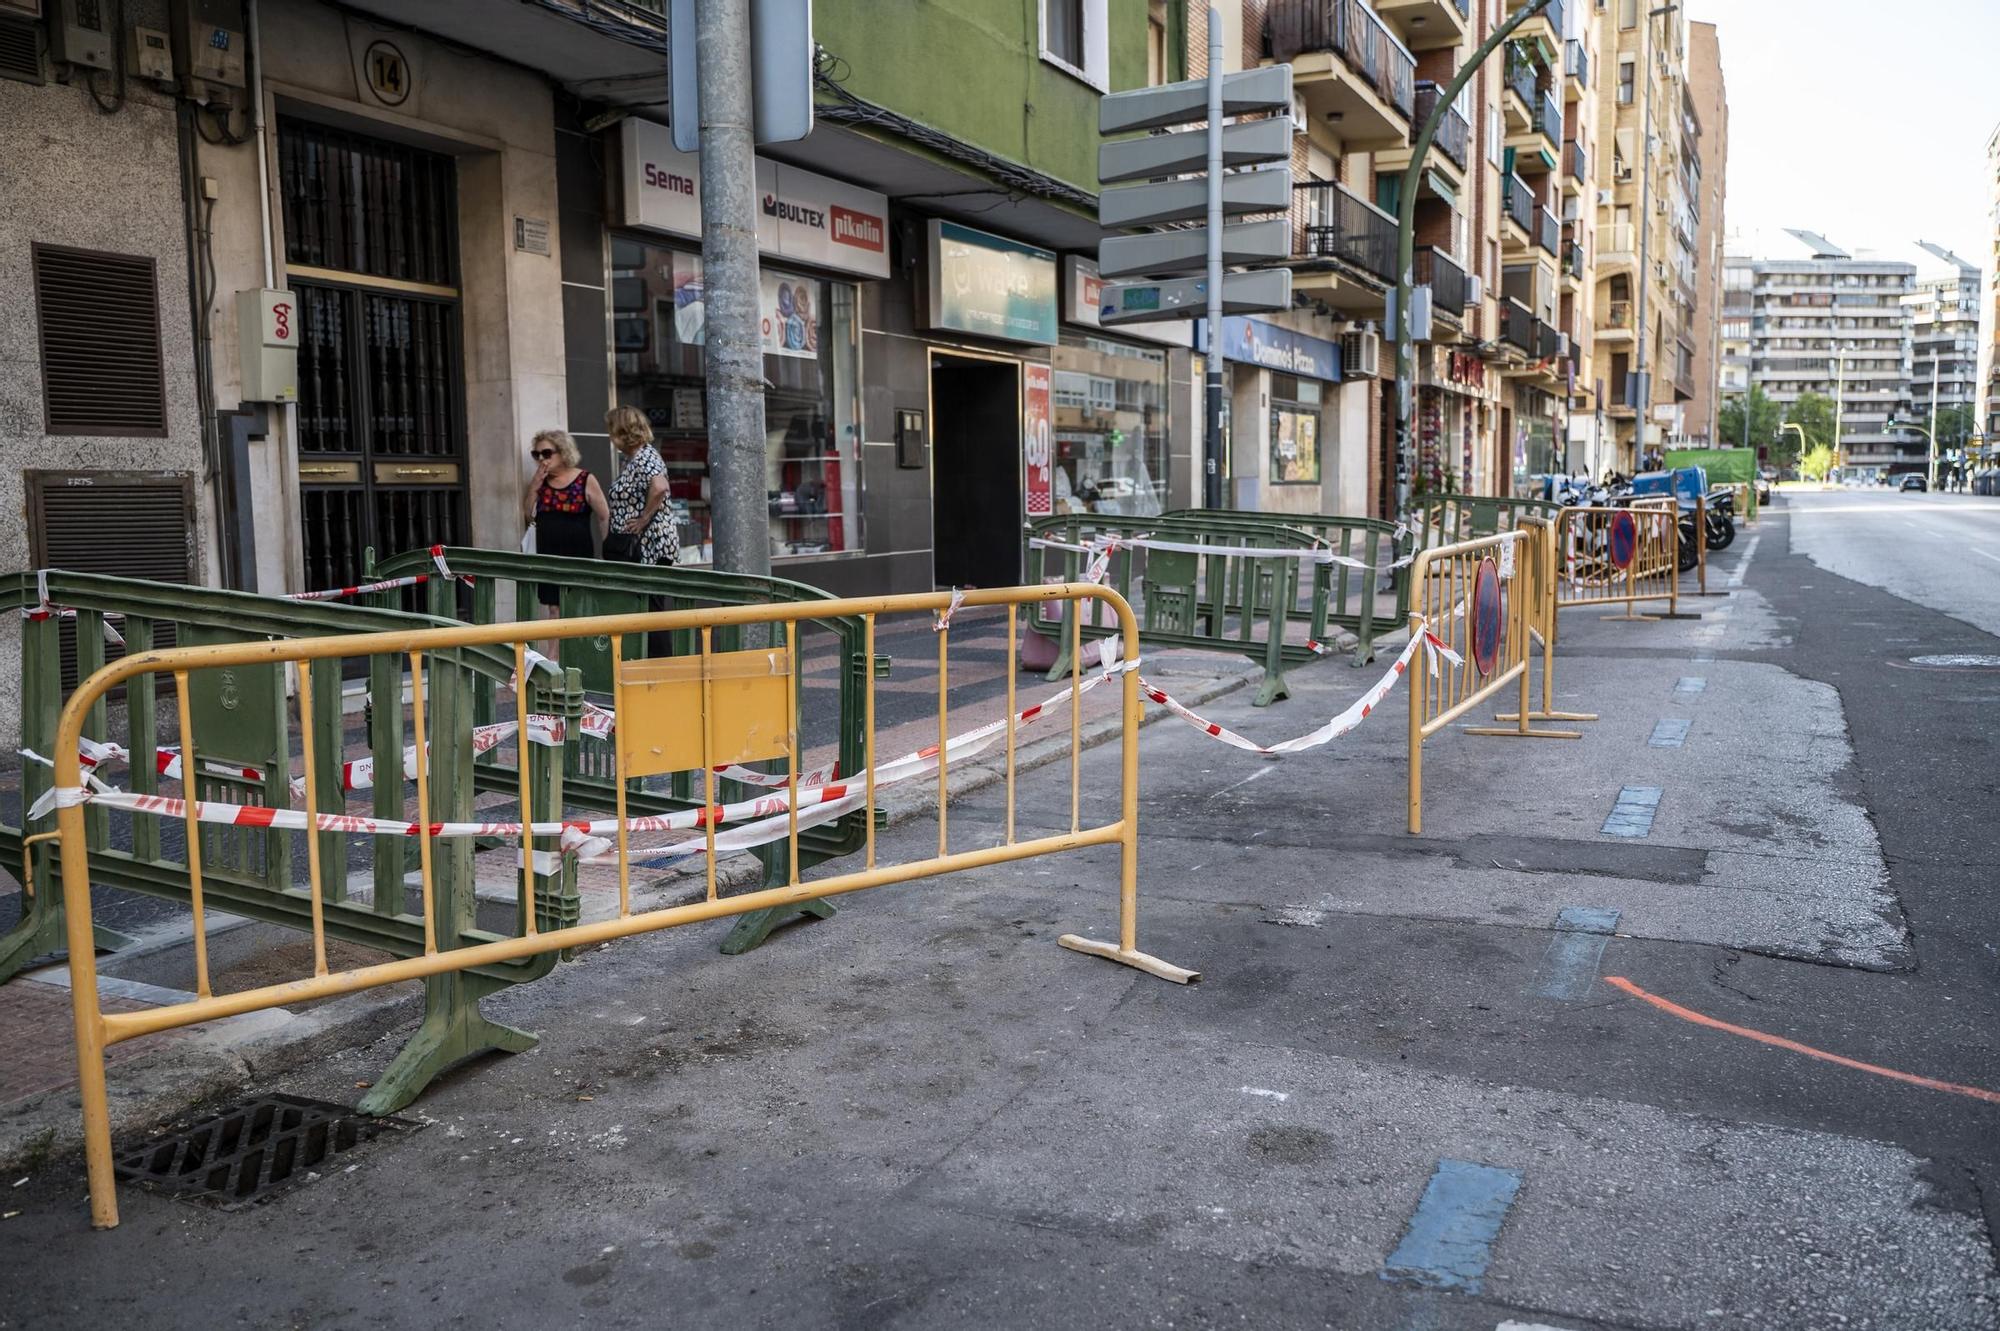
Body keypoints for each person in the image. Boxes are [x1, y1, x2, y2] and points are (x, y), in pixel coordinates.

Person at [520, 429, 608, 614]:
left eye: (547, 453)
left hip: (577, 552)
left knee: (578, 604)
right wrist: (535, 485)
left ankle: (578, 643)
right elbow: (529, 514)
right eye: (537, 454)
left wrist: (606, 550)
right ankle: (554, 645)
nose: (542, 459)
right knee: (554, 607)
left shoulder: (585, 479)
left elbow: (603, 516)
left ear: (563, 452)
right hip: (549, 554)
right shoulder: (540, 482)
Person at [605, 406, 680, 567]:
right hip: (633, 544)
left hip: (647, 545)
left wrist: (643, 519)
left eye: (612, 431)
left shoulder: (645, 456)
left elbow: (660, 486)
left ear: (622, 432)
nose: (610, 437)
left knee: (646, 591)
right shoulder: (632, 458)